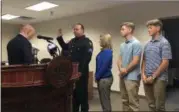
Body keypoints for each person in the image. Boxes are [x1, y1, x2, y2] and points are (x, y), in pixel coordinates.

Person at [56, 23, 93, 112]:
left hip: (81, 73)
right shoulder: (72, 41)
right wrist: (60, 37)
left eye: (77, 29)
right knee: (74, 95)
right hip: (71, 72)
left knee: (82, 94)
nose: (75, 31)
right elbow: (65, 47)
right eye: (74, 29)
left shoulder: (87, 42)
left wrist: (80, 71)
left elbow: (87, 58)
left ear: (82, 30)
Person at [142, 19, 172, 111]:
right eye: (148, 28)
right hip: (146, 77)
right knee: (151, 104)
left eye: (150, 28)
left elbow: (165, 62)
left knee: (159, 106)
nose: (148, 30)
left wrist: (154, 76)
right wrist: (143, 75)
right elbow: (144, 60)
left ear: (158, 28)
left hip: (159, 79)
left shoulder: (164, 43)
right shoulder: (147, 44)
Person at [117, 22, 142, 111]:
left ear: (130, 30)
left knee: (133, 103)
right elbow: (119, 59)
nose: (121, 31)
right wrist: (120, 69)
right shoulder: (122, 45)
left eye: (123, 29)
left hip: (132, 77)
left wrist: (125, 70)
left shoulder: (136, 43)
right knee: (124, 100)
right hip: (123, 76)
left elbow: (135, 61)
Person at [95, 34, 113, 112]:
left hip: (104, 79)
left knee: (105, 101)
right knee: (104, 100)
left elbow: (103, 67)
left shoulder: (108, 52)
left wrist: (97, 77)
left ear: (104, 41)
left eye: (101, 40)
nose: (99, 41)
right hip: (102, 78)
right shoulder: (103, 51)